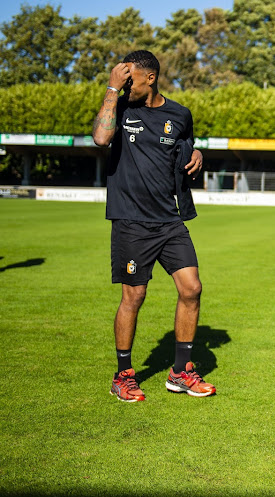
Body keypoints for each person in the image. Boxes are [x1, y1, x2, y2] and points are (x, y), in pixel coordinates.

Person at [92, 50, 216, 402]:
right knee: (135, 296)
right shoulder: (120, 107)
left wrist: (196, 153)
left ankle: (180, 372)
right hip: (131, 220)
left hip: (169, 219)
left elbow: (186, 145)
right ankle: (123, 375)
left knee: (192, 288)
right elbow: (101, 139)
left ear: (150, 78)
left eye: (130, 79)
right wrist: (112, 90)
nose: (125, 83)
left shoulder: (179, 114)